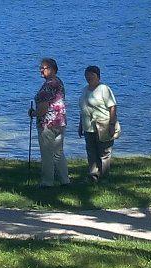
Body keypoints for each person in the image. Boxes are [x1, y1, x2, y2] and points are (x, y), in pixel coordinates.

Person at [29, 58, 70, 187]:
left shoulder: (48, 86)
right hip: (60, 121)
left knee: (47, 154)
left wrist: (33, 113)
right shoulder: (59, 82)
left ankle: (47, 182)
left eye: (44, 68)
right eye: (40, 68)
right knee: (58, 152)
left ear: (52, 69)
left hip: (48, 123)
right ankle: (65, 180)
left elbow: (43, 109)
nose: (41, 70)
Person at [78, 65, 118, 183]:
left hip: (103, 125)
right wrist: (80, 124)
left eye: (92, 74)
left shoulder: (104, 89)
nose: (89, 77)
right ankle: (93, 176)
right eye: (87, 74)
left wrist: (112, 124)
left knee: (104, 153)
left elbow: (112, 107)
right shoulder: (85, 90)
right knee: (91, 152)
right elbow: (83, 109)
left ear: (98, 76)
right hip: (88, 127)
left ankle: (104, 177)